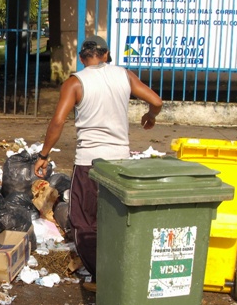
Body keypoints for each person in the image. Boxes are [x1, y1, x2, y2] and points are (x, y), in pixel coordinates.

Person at [34, 35, 162, 284]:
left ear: (82, 58)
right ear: (106, 55)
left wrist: (43, 155)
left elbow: (58, 121)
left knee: (84, 221)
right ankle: (120, 268)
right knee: (115, 218)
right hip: (120, 162)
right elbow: (156, 101)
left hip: (89, 163)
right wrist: (150, 116)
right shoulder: (124, 75)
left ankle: (100, 277)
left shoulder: (75, 82)